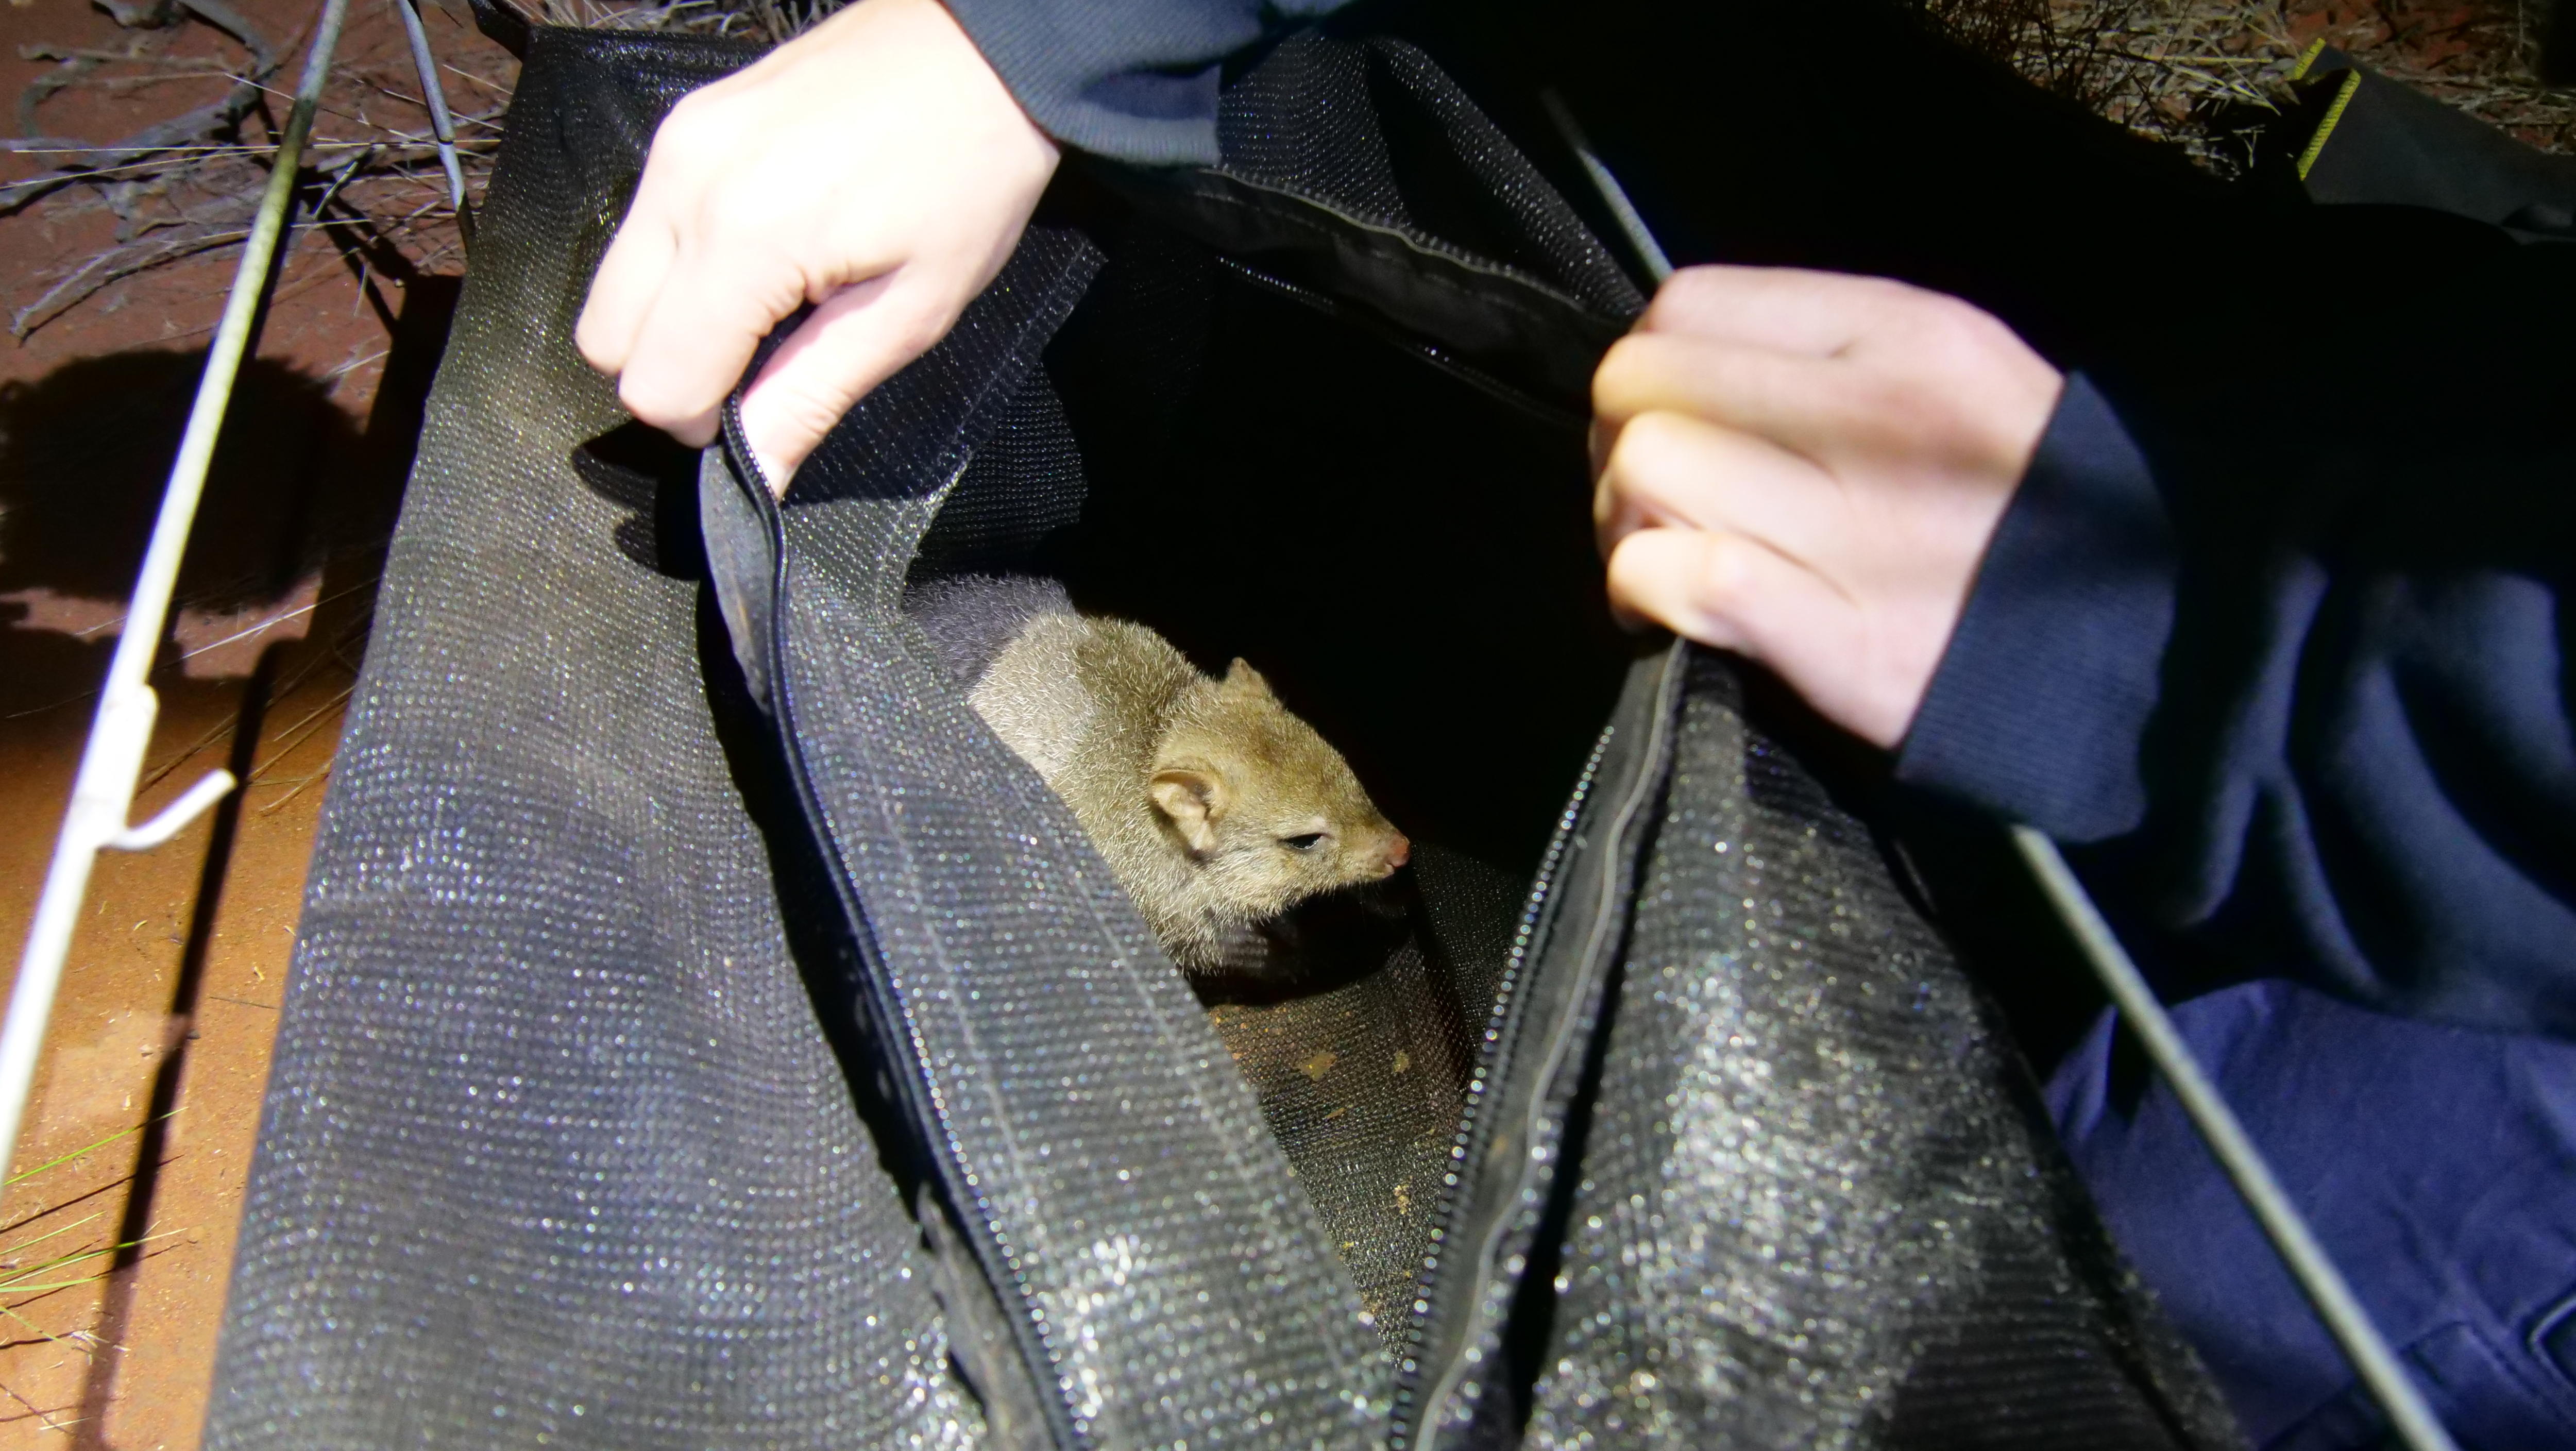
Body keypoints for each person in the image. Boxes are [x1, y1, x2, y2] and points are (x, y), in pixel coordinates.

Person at [575, 0, 2576, 1442]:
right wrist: (1046, 33)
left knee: (2063, 1327)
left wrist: (2185, 640)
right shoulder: (1164, 785)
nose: (1364, 853)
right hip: (2442, 416)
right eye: (1304, 846)